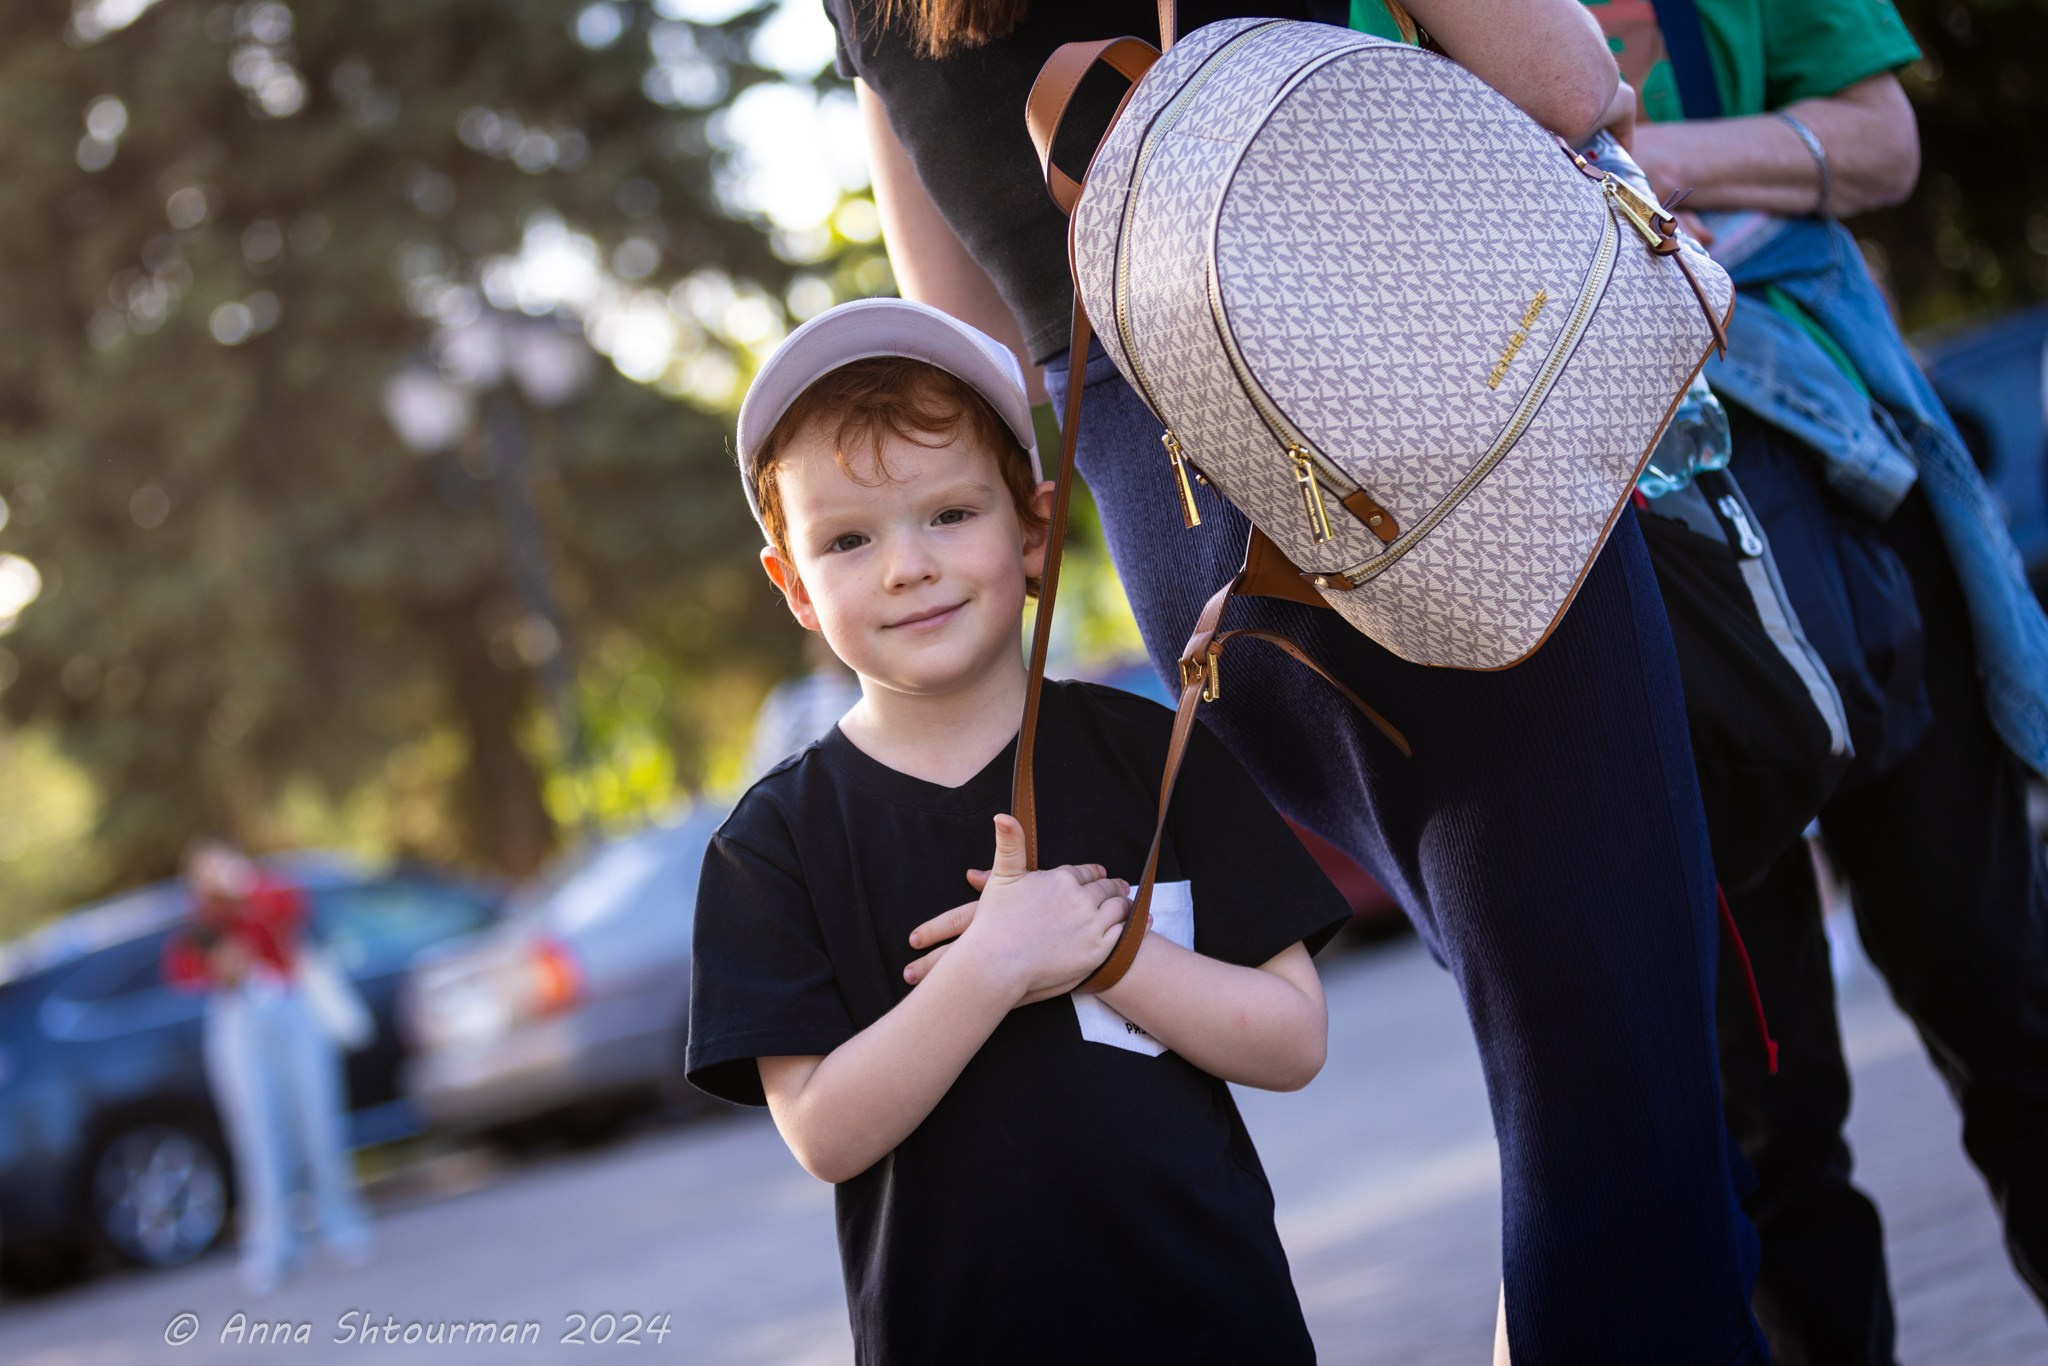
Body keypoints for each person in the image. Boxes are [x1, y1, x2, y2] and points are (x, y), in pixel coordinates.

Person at [830, 0, 1770, 1360]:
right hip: (1417, 452)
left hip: (1197, 554)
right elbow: (1565, 79)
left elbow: (960, 327)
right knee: (1621, 1126)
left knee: (1570, 1087)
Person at [685, 298, 1354, 1363]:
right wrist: (990, 963)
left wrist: (1104, 951)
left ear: (1032, 527)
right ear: (793, 585)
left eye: (948, 514)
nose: (907, 565)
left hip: (1215, 1327)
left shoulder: (1154, 754)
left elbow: (1290, 1037)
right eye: (848, 539)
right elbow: (822, 1130)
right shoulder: (773, 846)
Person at [1584, 2, 2048, 1360]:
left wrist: (1645, 161)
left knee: (2009, 1004)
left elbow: (1884, 140)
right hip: (1628, 579)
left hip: (1848, 495)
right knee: (1764, 1125)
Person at [163, 841, 372, 1294]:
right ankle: (273, 1245)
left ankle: (341, 1223)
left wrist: (244, 886)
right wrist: (219, 959)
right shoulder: (203, 920)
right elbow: (182, 969)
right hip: (239, 1022)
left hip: (289, 1007)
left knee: (319, 1122)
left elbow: (290, 910)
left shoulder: (264, 895)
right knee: (258, 1137)